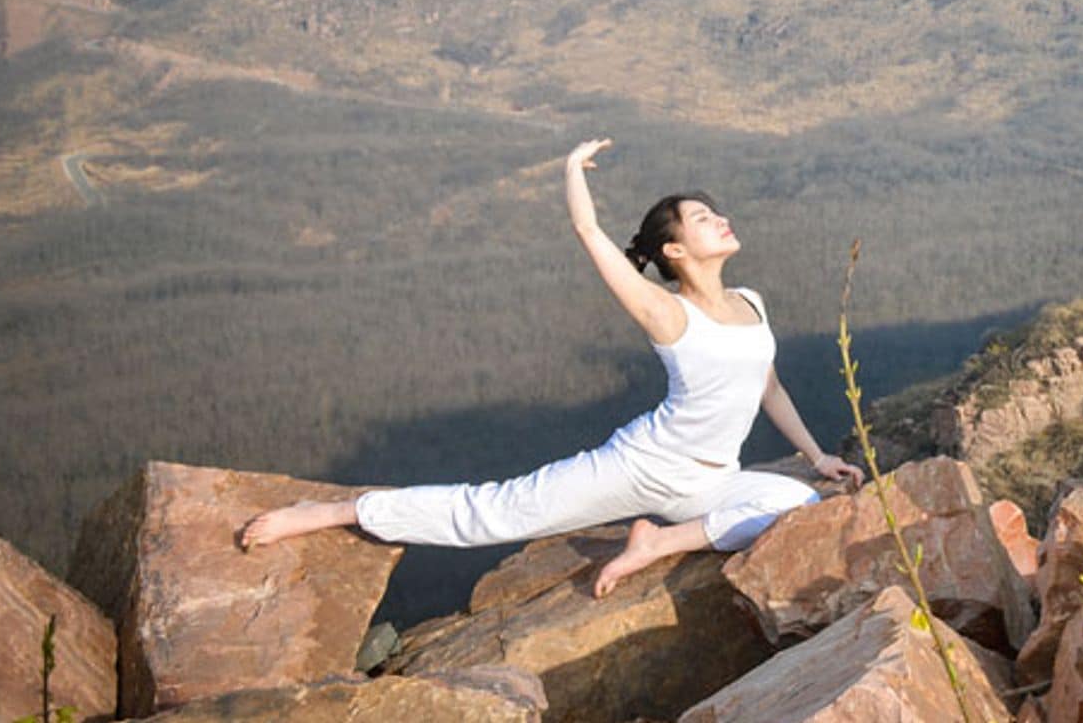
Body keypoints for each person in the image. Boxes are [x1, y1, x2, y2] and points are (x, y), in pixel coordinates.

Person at [239, 138, 863, 597]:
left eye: (714, 212)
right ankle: (335, 513)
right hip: (639, 467)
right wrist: (571, 168)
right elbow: (589, 231)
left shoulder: (750, 302)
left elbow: (768, 386)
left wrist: (816, 457)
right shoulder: (664, 311)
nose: (719, 219)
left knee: (799, 501)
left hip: (711, 483)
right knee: (494, 513)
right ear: (674, 250)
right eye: (702, 218)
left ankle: (659, 543)